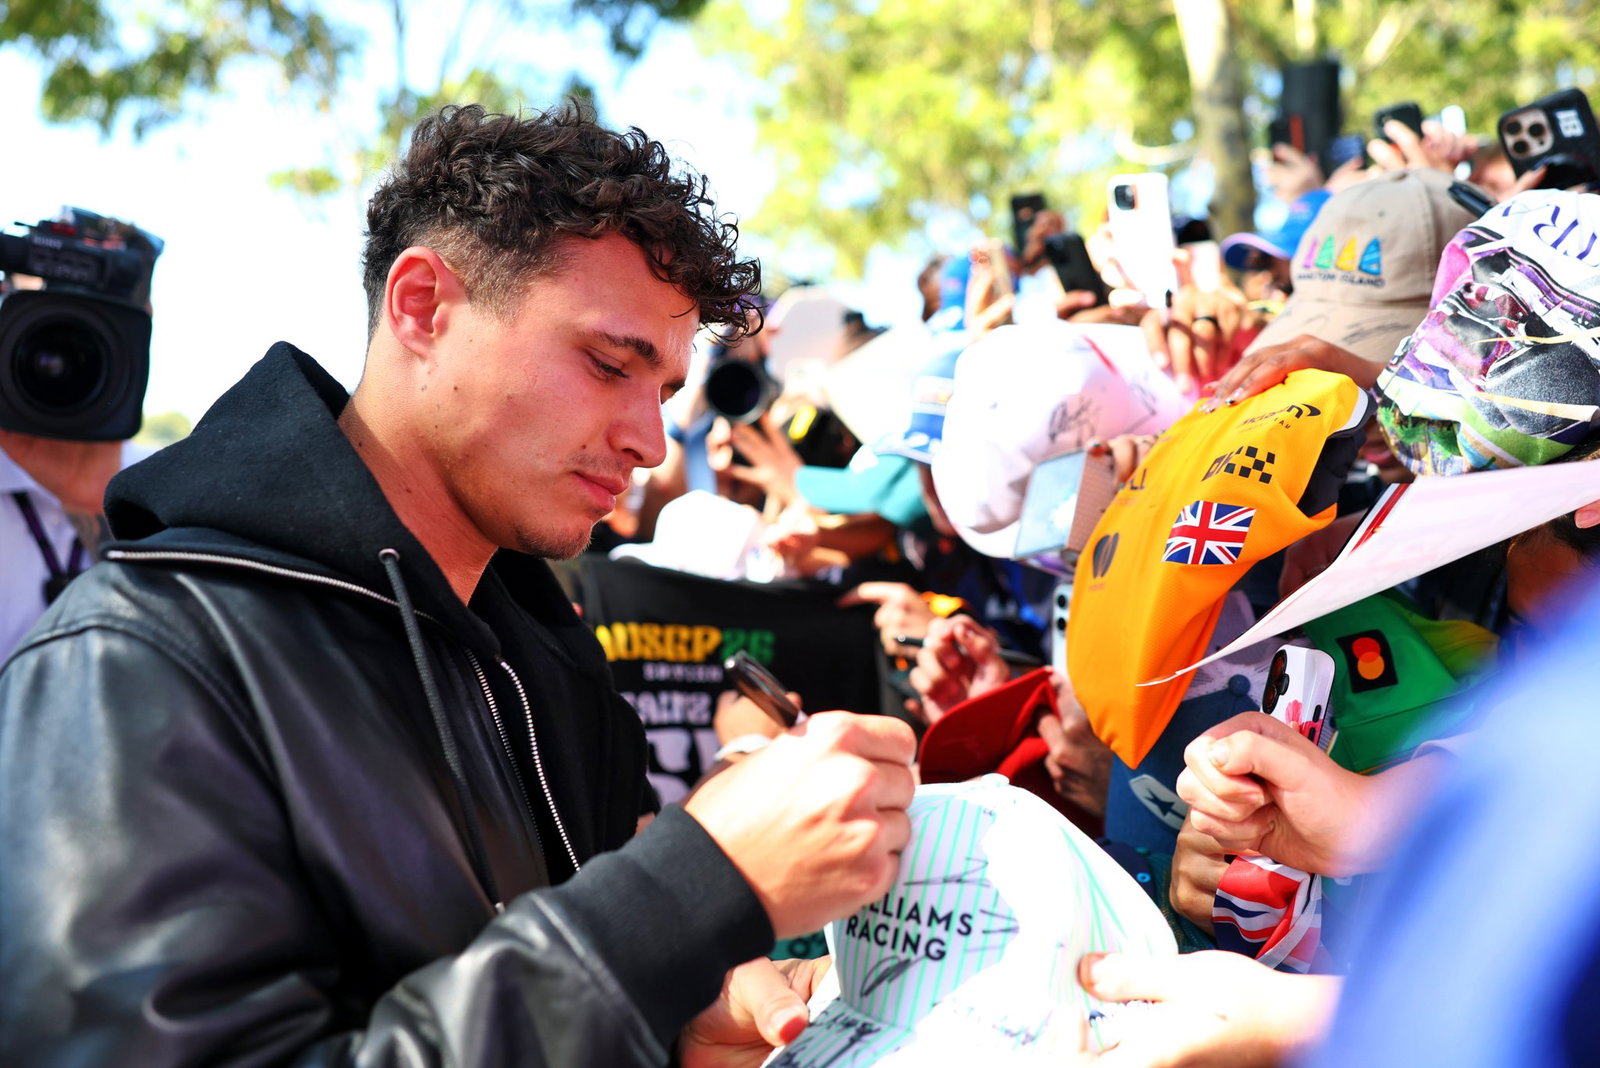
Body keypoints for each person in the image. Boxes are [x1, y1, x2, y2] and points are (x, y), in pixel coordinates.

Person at [0, 103, 917, 1066]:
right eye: (611, 364)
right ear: (423, 306)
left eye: (663, 392)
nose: (650, 441)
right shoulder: (132, 662)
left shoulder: (543, 659)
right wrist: (691, 893)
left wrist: (679, 1014)